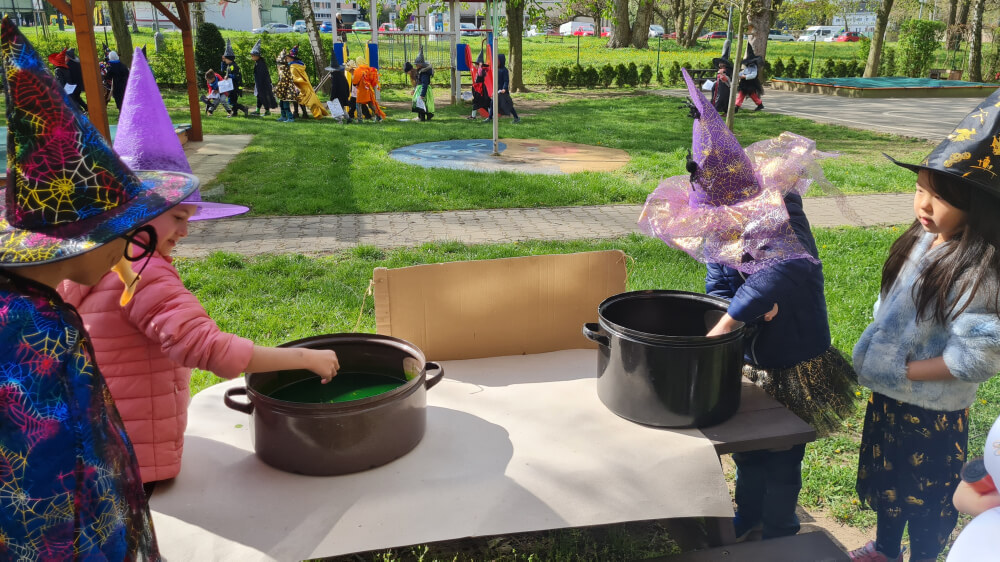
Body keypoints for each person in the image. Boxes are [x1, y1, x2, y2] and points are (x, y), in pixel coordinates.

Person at [59, 50, 339, 491]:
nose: (186, 231)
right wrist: (304, 359)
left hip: (96, 446)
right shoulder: (142, 268)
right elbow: (205, 347)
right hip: (137, 461)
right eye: (178, 217)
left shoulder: (93, 256)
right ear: (139, 211)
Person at [0, 18, 199, 558]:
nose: (129, 245)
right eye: (120, 231)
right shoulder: (34, 330)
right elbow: (47, 482)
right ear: (79, 239)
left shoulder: (35, 303)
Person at [638, 68, 857, 543]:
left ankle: (779, 529)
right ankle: (748, 516)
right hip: (754, 359)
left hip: (794, 356)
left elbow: (793, 268)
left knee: (782, 453)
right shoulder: (722, 222)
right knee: (749, 450)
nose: (723, 227)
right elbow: (720, 273)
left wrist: (737, 315)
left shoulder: (782, 210)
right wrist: (727, 306)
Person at [848, 92, 1000, 562]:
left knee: (927, 501)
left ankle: (923, 556)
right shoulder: (922, 239)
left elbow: (975, 358)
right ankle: (886, 548)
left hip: (932, 415)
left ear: (977, 205)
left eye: (941, 197)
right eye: (920, 190)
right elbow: (891, 304)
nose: (924, 205)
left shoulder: (977, 273)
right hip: (890, 401)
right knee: (889, 486)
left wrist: (900, 371)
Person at [285, 45, 329, 119]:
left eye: (287, 58)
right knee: (303, 99)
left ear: (292, 58)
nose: (286, 59)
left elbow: (294, 77)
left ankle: (297, 113)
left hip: (298, 85)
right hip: (304, 85)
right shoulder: (299, 65)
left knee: (297, 99)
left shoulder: (293, 67)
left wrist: (294, 84)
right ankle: (303, 113)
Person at [488, 53, 519, 123]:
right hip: (497, 90)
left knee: (508, 105)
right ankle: (489, 118)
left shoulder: (504, 70)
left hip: (502, 91)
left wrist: (504, 88)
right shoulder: (496, 70)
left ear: (501, 61)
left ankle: (516, 118)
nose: (496, 62)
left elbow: (506, 81)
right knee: (492, 103)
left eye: (498, 61)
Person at [221, 39, 249, 117]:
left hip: (235, 87)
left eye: (225, 59)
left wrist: (228, 76)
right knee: (232, 100)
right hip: (230, 87)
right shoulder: (229, 65)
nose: (225, 60)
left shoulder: (234, 66)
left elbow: (237, 76)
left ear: (229, 59)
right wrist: (222, 61)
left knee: (231, 101)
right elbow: (222, 70)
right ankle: (235, 113)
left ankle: (243, 108)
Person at [250, 39, 277, 116]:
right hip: (259, 84)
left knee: (263, 97)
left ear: (257, 56)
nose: (252, 57)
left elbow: (262, 76)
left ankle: (267, 111)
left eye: (253, 55)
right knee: (259, 97)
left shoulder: (261, 64)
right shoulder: (257, 63)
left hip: (263, 84)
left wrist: (260, 85)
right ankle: (258, 111)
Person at [406, 50, 434, 122]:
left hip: (422, 90)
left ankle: (423, 117)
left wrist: (422, 94)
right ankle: (424, 116)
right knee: (419, 103)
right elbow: (418, 82)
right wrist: (415, 89)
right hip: (419, 89)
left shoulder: (424, 73)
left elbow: (424, 84)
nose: (416, 66)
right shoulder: (420, 71)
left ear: (421, 64)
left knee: (421, 103)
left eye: (417, 64)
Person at [735, 42, 764, 112]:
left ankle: (737, 106)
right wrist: (739, 74)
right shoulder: (748, 67)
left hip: (751, 83)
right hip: (744, 84)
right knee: (743, 94)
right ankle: (737, 106)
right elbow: (743, 72)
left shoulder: (754, 67)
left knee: (751, 94)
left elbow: (753, 75)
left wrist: (745, 76)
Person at [274, 49, 298, 122]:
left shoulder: (284, 70)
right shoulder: (282, 70)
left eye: (279, 63)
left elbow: (283, 82)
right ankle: (283, 116)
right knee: (281, 104)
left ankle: (290, 118)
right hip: (282, 91)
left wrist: (277, 89)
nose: (278, 65)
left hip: (286, 91)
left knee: (285, 105)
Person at [710, 40, 733, 115]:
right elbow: (717, 78)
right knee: (716, 98)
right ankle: (715, 110)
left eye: (722, 63)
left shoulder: (727, 70)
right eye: (720, 63)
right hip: (718, 87)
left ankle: (720, 112)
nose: (720, 64)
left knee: (722, 99)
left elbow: (728, 79)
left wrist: (723, 75)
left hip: (724, 87)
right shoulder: (719, 70)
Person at [470, 49, 491, 119]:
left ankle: (491, 115)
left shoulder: (481, 71)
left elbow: (480, 73)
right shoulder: (480, 70)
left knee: (483, 102)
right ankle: (473, 116)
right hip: (478, 89)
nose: (475, 66)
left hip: (480, 90)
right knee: (479, 102)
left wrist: (480, 66)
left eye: (476, 64)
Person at [65, 47, 87, 112]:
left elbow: (69, 76)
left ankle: (80, 110)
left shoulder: (69, 65)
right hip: (79, 84)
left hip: (73, 85)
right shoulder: (77, 64)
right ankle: (86, 107)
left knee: (73, 99)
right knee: (77, 98)